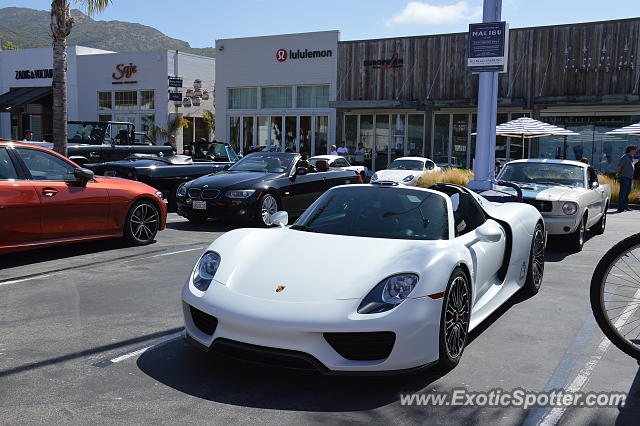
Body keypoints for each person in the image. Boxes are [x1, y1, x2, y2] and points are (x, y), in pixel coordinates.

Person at [616, 145, 637, 213]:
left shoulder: (631, 157)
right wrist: (618, 174)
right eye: (634, 150)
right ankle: (620, 208)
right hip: (624, 177)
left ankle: (625, 206)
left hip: (629, 178)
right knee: (623, 193)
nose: (635, 151)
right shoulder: (625, 157)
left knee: (627, 192)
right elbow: (620, 166)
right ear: (631, 150)